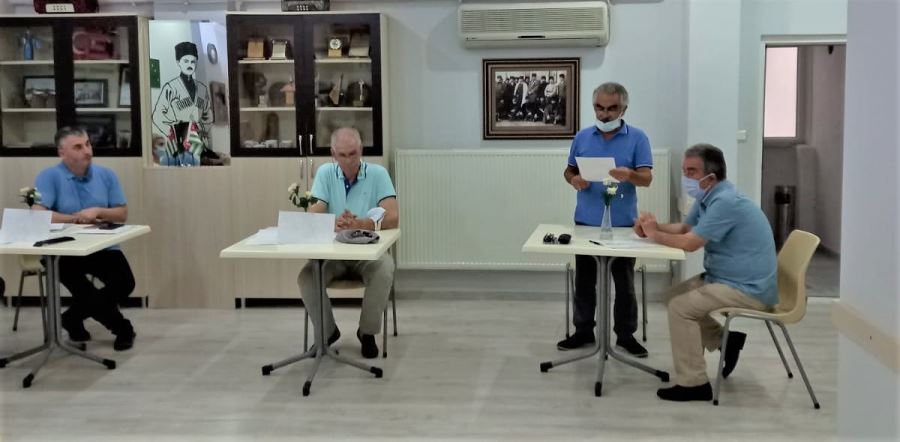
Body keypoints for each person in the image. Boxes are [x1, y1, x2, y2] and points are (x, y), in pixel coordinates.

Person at [636, 143, 777, 402]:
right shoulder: (708, 197)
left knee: (680, 308)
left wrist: (655, 234)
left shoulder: (725, 202)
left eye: (692, 171)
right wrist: (652, 228)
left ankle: (694, 384)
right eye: (684, 171)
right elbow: (685, 229)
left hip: (748, 288)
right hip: (725, 279)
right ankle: (725, 341)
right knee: (671, 297)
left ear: (710, 177)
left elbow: (691, 243)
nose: (686, 177)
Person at [558, 82, 653, 358]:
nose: (604, 114)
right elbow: (569, 171)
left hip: (622, 225)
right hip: (587, 222)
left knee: (624, 284)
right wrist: (574, 180)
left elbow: (646, 178)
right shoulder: (582, 137)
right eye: (599, 108)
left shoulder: (638, 138)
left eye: (612, 109)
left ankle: (625, 335)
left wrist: (629, 175)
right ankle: (583, 331)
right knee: (585, 282)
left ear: (624, 109)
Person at [298, 127, 399, 359]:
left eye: (353, 154)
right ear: (333, 154)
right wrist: (335, 223)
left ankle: (367, 332)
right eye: (342, 155)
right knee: (306, 277)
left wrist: (362, 224)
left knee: (385, 268)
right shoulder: (325, 173)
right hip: (333, 254)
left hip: (368, 253)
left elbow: (393, 217)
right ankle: (327, 332)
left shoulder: (378, 174)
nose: (349, 160)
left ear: (361, 150)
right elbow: (315, 213)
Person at [33, 127, 136, 351]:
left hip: (102, 246)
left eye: (88, 144)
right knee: (85, 292)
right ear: (62, 153)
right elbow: (38, 213)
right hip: (64, 250)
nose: (87, 151)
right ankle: (122, 328)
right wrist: (75, 218)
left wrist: (98, 211)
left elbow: (121, 213)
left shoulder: (107, 175)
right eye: (78, 147)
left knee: (125, 283)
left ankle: (71, 318)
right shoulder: (49, 176)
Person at [152, 41, 211, 167]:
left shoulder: (202, 89)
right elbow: (157, 115)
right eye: (186, 61)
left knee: (197, 169)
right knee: (175, 170)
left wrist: (201, 130)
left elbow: (208, 114)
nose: (190, 65)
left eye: (193, 62)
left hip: (196, 140)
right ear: (178, 62)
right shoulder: (170, 87)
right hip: (176, 140)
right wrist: (171, 129)